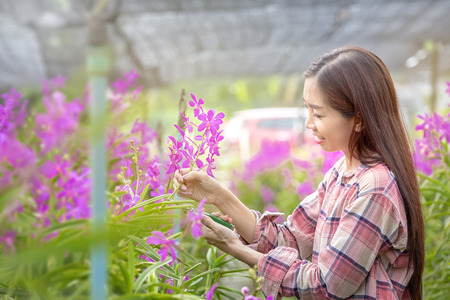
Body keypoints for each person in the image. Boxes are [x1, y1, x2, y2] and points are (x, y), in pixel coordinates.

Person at [174, 46, 424, 299]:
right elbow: (291, 238)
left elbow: (326, 286)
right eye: (307, 109)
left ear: (358, 119)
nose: (308, 123)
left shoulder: (375, 188)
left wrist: (235, 248)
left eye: (318, 113)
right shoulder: (341, 174)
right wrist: (220, 197)